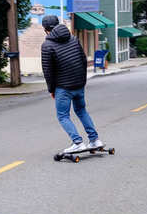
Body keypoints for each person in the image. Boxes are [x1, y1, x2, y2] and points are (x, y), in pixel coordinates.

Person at [40, 14, 103, 154]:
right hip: (79, 84)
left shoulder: (47, 45)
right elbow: (83, 60)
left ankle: (78, 142)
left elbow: (48, 71)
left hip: (63, 87)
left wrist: (51, 90)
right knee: (81, 111)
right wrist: (82, 81)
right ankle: (95, 140)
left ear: (46, 29)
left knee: (63, 116)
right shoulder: (73, 39)